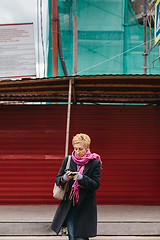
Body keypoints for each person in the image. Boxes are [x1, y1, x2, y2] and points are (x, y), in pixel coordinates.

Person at [51, 133, 102, 240]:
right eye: (75, 148)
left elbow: (95, 185)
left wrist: (81, 178)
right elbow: (57, 179)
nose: (77, 152)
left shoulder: (95, 162)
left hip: (85, 205)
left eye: (80, 149)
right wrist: (64, 178)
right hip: (70, 204)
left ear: (87, 148)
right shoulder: (68, 160)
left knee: (82, 237)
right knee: (72, 236)